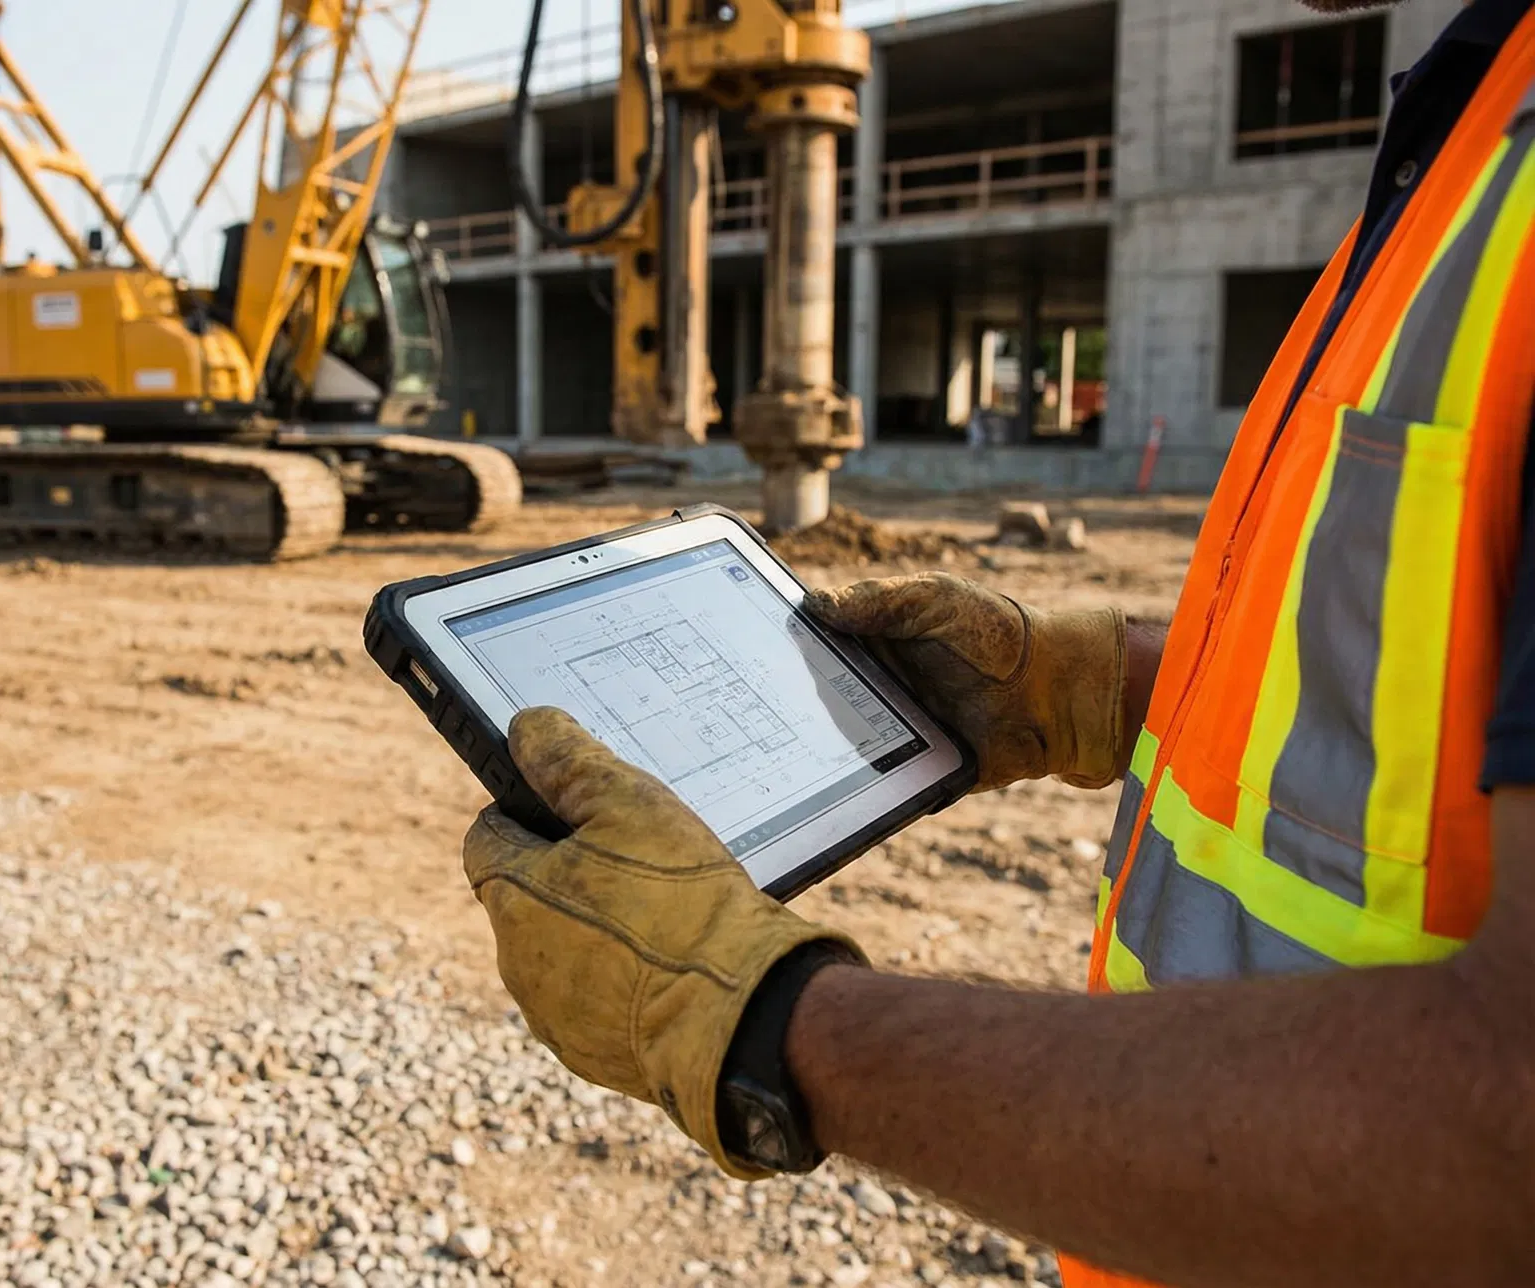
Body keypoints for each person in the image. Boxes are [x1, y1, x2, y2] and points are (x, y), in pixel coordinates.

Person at [458, 0, 1535, 1282]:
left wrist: (768, 1023)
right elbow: (1410, 675)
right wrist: (1101, 685)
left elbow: (1505, 1130)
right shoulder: (1480, 127)